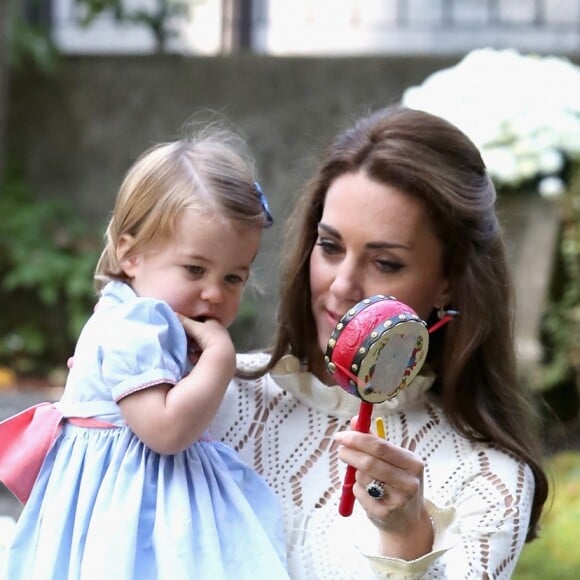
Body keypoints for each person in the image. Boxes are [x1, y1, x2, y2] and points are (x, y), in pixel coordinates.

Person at [204, 105, 549, 578]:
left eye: (384, 263)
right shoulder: (208, 400)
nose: (342, 286)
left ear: (449, 281)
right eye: (329, 247)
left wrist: (408, 541)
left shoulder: (490, 474)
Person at [0, 126, 289, 579]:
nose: (214, 294)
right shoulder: (139, 323)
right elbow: (167, 430)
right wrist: (218, 358)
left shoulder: (136, 316)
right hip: (130, 511)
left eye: (234, 278)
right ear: (130, 254)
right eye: (195, 269)